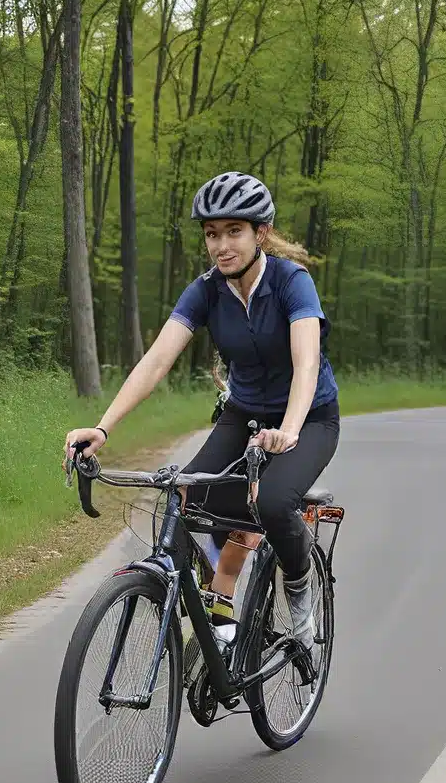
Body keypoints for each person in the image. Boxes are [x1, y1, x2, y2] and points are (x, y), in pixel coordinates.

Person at [64, 171, 340, 652]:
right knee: (187, 498)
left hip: (309, 418)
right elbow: (155, 363)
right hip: (244, 413)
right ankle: (220, 604)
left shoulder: (292, 282)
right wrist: (103, 427)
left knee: (272, 503)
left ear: (262, 234)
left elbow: (306, 363)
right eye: (212, 234)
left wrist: (289, 430)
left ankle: (298, 586)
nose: (221, 245)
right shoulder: (207, 290)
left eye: (234, 231)